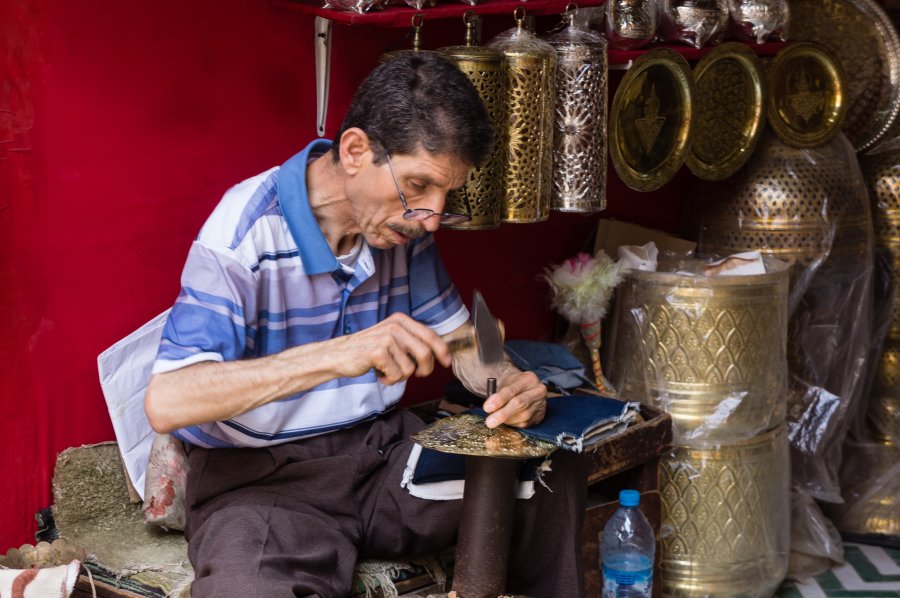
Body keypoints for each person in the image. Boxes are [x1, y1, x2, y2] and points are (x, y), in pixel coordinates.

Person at [144, 52, 587, 598]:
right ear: (355, 151)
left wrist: (506, 383)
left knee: (545, 469)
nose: (429, 215)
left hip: (383, 460)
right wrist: (338, 354)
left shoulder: (403, 231)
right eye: (418, 185)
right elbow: (168, 400)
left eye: (445, 197)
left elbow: (466, 339)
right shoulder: (242, 234)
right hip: (262, 482)